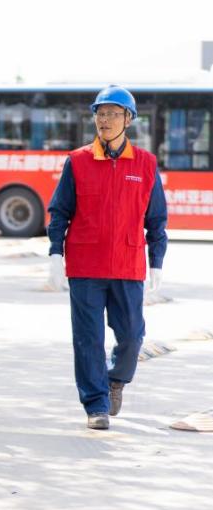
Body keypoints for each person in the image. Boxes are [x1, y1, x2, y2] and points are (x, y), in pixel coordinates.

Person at [47, 85, 168, 430]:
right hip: (85, 265)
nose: (105, 120)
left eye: (114, 114)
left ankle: (116, 380)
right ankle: (96, 405)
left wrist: (157, 260)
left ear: (128, 119)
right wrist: (56, 253)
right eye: (100, 114)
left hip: (128, 265)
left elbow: (156, 218)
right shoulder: (78, 161)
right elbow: (59, 212)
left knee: (131, 336)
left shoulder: (145, 164)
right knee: (87, 339)